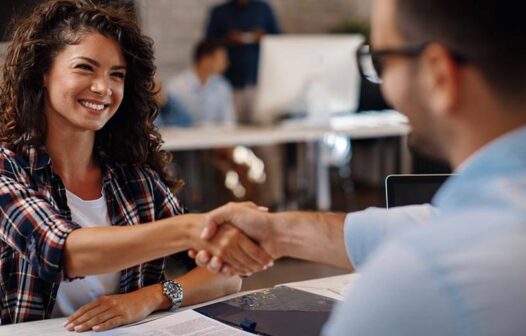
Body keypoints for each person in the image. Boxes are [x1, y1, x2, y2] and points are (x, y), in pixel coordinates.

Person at [193, 0, 526, 334]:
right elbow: (430, 223)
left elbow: (434, 241)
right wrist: (276, 232)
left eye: (382, 60)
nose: (384, 86)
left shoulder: (424, 280)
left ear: (438, 75)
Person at [0, 0, 272, 330]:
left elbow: (226, 276)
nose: (103, 88)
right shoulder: (7, 169)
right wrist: (192, 229)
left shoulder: (136, 181)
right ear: (43, 72)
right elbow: (63, 252)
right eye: (85, 68)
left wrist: (150, 298)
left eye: (117, 75)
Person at [205, 0, 280, 123]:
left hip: (258, 80)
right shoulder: (219, 12)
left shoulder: (263, 9)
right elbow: (208, 45)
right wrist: (227, 39)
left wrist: (265, 37)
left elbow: (279, 39)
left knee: (260, 128)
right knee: (232, 126)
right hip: (230, 82)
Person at [162, 40, 236, 127]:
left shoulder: (223, 86)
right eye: (222, 58)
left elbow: (228, 122)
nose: (226, 64)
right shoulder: (176, 87)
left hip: (216, 138)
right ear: (205, 60)